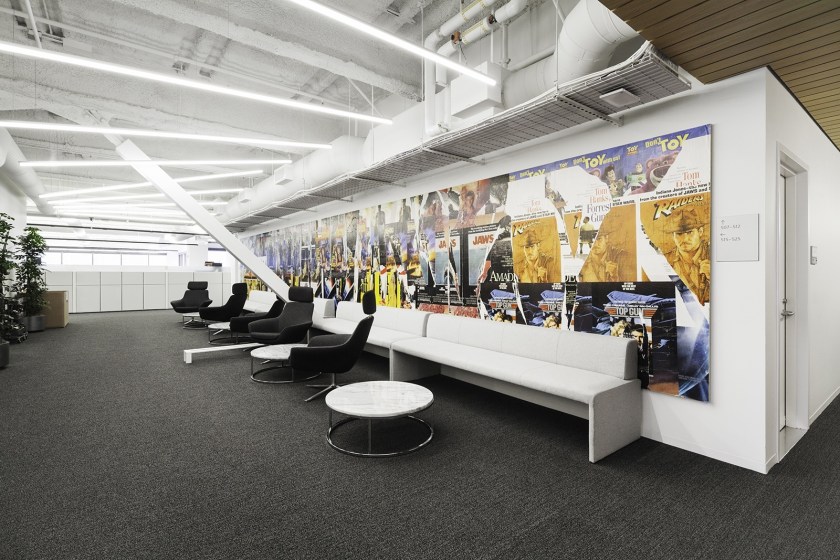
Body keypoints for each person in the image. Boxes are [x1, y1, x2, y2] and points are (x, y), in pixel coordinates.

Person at [664, 206, 710, 305]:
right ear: (673, 236)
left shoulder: (713, 256)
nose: (684, 239)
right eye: (679, 234)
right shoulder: (664, 260)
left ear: (700, 232)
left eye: (689, 232)